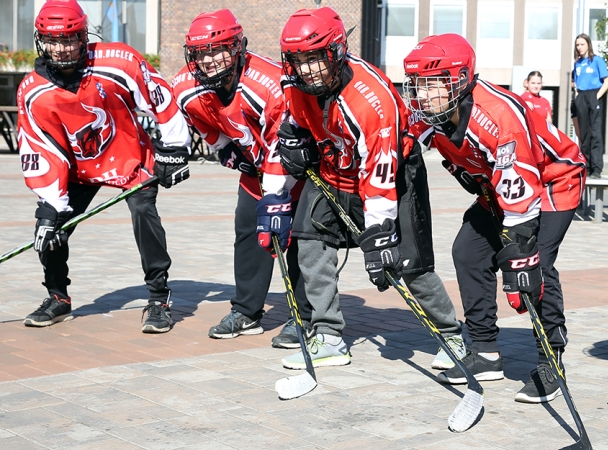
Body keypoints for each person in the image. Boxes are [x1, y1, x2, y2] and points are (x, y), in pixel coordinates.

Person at [276, 7, 464, 370]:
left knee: (408, 264)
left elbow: (380, 172)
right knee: (309, 241)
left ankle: (451, 333)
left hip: (393, 175)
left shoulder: (371, 99)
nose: (307, 69)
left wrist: (378, 237)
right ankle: (328, 334)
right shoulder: (295, 85)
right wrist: (293, 145)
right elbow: (292, 125)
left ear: (336, 50)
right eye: (298, 60)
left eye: (315, 58)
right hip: (334, 170)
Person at [403, 34, 586, 403]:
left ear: (460, 80)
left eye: (434, 84)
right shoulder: (433, 113)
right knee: (467, 252)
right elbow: (399, 138)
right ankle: (486, 353)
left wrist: (518, 251)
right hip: (499, 187)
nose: (424, 95)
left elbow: (521, 191)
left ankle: (552, 358)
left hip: (552, 180)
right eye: (419, 85)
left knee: (534, 265)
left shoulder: (497, 115)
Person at [16, 0, 191, 333]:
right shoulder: (32, 92)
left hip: (130, 157)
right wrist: (51, 203)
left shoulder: (118, 61)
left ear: (83, 36)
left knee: (144, 214)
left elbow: (160, 97)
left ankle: (158, 298)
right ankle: (57, 296)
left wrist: (174, 149)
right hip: (77, 169)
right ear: (41, 41)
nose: (61, 48)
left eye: (68, 39)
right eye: (53, 40)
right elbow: (40, 147)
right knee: (51, 228)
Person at [172, 9, 310, 347]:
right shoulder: (185, 86)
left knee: (302, 240)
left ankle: (306, 317)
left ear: (237, 47)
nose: (210, 60)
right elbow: (199, 118)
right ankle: (247, 311)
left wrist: (276, 197)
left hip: (297, 167)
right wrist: (223, 147)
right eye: (201, 53)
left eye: (218, 49)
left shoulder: (270, 84)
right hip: (257, 169)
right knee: (249, 231)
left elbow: (282, 138)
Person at [573, 33, 608, 179]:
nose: (579, 47)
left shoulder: (597, 60)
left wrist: (596, 97)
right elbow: (576, 84)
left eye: (582, 44)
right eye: (577, 45)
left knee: (595, 133)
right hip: (581, 96)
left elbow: (607, 81)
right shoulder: (577, 63)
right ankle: (586, 167)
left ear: (588, 44)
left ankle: (596, 169)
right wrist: (577, 98)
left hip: (594, 95)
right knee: (584, 134)